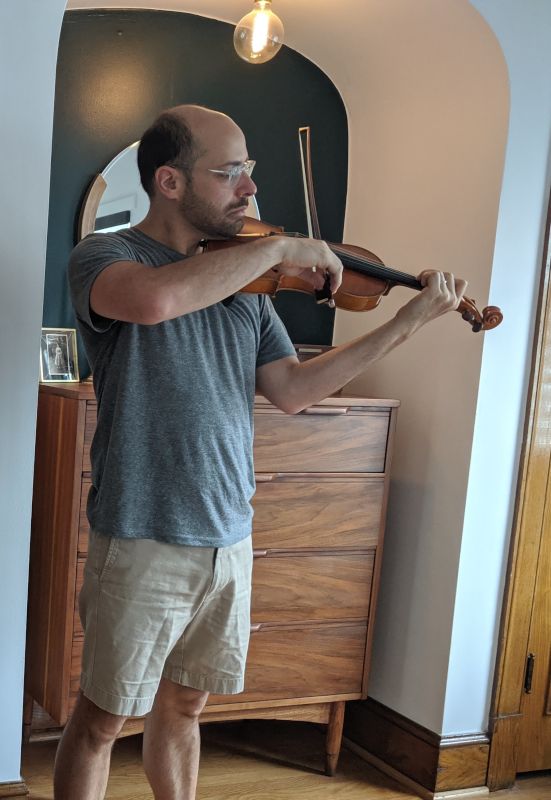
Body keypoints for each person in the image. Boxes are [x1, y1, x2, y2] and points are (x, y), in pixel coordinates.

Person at [56, 104, 467, 800]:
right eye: (228, 173)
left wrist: (406, 322)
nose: (248, 188)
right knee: (103, 720)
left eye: (248, 171)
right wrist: (278, 250)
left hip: (229, 535)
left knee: (186, 708)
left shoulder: (245, 287)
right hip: (142, 534)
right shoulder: (108, 257)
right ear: (169, 182)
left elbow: (294, 390)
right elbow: (153, 304)